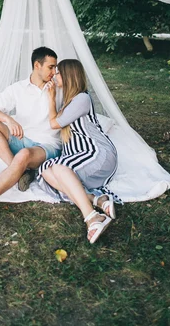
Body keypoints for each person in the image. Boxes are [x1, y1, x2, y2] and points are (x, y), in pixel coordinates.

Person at [0, 46, 62, 217]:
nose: (54, 72)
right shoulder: (18, 88)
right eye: (50, 67)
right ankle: (19, 171)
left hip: (46, 146)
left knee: (23, 155)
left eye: (55, 67)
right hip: (22, 139)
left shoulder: (58, 88)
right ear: (37, 65)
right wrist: (9, 119)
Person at [37, 58, 118, 244]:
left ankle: (92, 218)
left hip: (96, 153)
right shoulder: (69, 102)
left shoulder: (82, 98)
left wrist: (50, 98)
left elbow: (54, 124)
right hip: (79, 155)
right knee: (45, 169)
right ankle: (95, 199)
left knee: (58, 168)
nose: (54, 76)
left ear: (68, 75)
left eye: (58, 73)